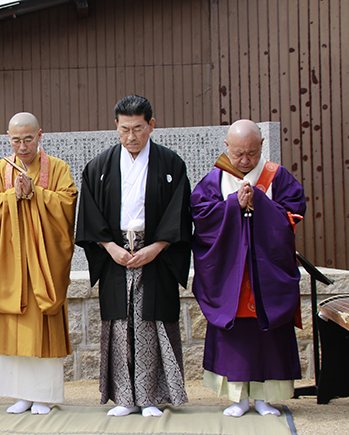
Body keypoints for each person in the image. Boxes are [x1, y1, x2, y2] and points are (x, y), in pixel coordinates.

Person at [75, 95, 191, 417]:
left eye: (138, 129)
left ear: (151, 125)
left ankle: (152, 396)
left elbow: (179, 213)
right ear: (116, 126)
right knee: (119, 325)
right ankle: (125, 397)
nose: (131, 137)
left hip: (156, 251)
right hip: (115, 253)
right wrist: (110, 248)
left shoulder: (171, 164)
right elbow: (90, 216)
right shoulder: (99, 166)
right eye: (124, 129)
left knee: (152, 324)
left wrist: (157, 247)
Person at [191, 119, 305, 417]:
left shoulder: (276, 176)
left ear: (261, 147)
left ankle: (267, 397)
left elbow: (294, 211)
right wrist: (233, 204)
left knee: (269, 335)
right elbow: (201, 217)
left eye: (251, 154)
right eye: (238, 153)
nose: (244, 160)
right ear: (226, 147)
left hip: (267, 273)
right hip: (232, 274)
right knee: (236, 334)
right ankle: (237, 398)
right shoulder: (215, 178)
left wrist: (260, 204)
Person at [0, 112, 77, 415]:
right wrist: (12, 196)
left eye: (28, 139)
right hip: (11, 266)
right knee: (13, 328)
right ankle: (19, 394)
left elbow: (68, 203)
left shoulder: (58, 169)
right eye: (16, 140)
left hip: (43, 266)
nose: (22, 146)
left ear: (40, 136)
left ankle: (43, 395)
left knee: (43, 329)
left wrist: (36, 194)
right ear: (8, 138)